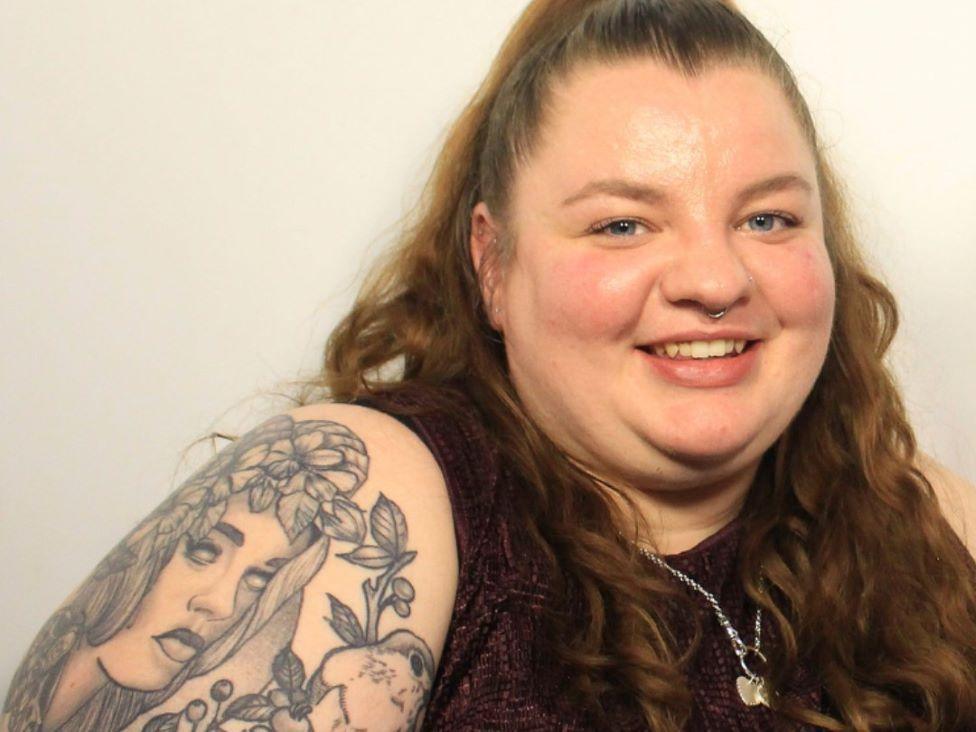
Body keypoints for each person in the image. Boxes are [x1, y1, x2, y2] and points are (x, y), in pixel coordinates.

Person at [5, 0, 976, 730]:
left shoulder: (926, 523)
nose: (715, 279)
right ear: (493, 263)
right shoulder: (360, 497)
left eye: (767, 218)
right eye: (622, 223)